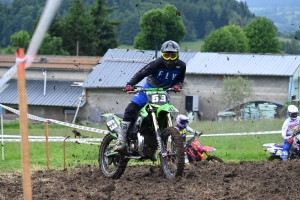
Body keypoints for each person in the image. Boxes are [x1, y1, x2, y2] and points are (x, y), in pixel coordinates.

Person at [114, 40, 187, 152]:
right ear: (162, 54)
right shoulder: (156, 63)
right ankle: (121, 141)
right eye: (167, 56)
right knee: (130, 110)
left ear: (177, 55)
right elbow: (141, 73)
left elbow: (180, 80)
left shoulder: (181, 66)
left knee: (166, 115)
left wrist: (177, 85)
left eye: (172, 56)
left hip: (164, 93)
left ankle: (158, 144)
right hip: (147, 91)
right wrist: (130, 84)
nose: (169, 59)